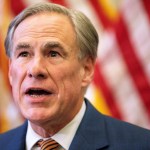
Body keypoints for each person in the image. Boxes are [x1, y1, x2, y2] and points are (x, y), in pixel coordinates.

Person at [0, 2, 150, 150]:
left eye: (53, 53)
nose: (35, 69)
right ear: (10, 71)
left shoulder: (141, 144)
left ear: (86, 70)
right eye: (24, 54)